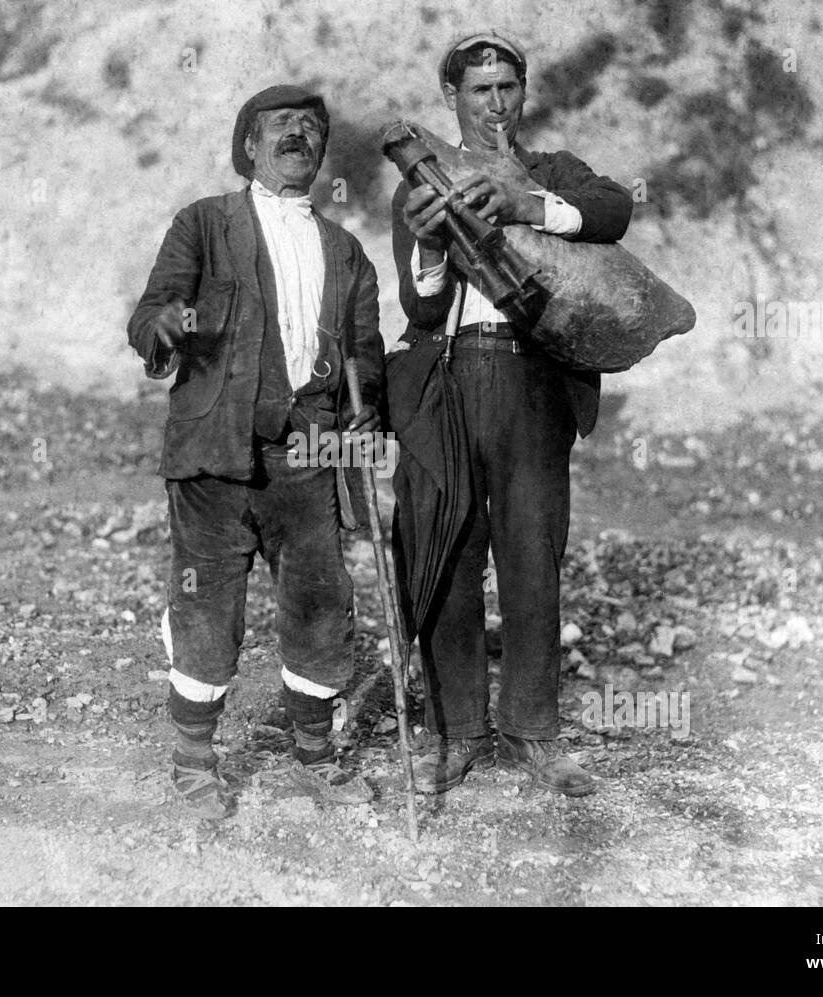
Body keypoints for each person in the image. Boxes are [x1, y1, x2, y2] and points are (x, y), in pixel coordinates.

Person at [127, 85, 384, 818]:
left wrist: (367, 417)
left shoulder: (348, 252)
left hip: (307, 455)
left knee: (320, 600)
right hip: (215, 451)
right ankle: (192, 757)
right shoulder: (205, 224)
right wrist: (168, 326)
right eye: (281, 126)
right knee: (208, 604)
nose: (299, 135)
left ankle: (313, 752)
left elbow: (365, 358)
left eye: (311, 126)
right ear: (249, 145)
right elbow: (147, 315)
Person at [387, 32, 632, 796]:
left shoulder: (550, 170)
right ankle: (457, 731)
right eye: (478, 91)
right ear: (452, 99)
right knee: (448, 551)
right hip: (451, 376)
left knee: (533, 555)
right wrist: (430, 242)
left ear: (522, 93)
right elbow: (420, 304)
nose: (494, 103)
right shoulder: (422, 180)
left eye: (506, 88)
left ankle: (534, 731)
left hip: (532, 380)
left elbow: (613, 208)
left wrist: (529, 204)